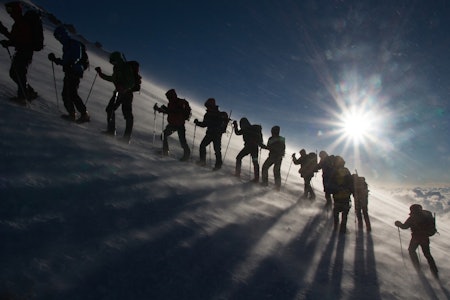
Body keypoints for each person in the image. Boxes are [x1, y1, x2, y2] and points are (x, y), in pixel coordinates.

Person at [48, 26, 90, 123]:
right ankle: (76, 114)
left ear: (62, 35)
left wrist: (70, 64)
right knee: (69, 93)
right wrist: (56, 60)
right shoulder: (67, 45)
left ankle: (82, 114)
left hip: (74, 72)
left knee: (71, 94)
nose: (57, 38)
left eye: (58, 36)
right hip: (72, 71)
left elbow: (75, 57)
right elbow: (67, 61)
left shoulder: (73, 44)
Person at [0, 1, 38, 102]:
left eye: (10, 10)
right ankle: (29, 92)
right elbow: (15, 40)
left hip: (24, 52)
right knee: (15, 73)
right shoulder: (18, 23)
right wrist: (8, 42)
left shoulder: (22, 23)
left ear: (15, 10)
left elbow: (19, 40)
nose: (9, 13)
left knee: (18, 73)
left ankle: (22, 97)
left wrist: (6, 36)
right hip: (24, 51)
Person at [95, 51, 135, 143]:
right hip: (119, 93)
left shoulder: (125, 67)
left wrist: (124, 87)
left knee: (127, 114)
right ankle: (112, 131)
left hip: (126, 94)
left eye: (112, 60)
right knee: (110, 109)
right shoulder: (116, 68)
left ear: (117, 59)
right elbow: (112, 79)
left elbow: (132, 82)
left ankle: (124, 137)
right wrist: (100, 74)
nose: (111, 62)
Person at [395, 204, 439, 278]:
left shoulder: (412, 217)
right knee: (427, 254)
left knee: (411, 250)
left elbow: (405, 226)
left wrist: (398, 224)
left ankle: (417, 268)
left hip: (416, 237)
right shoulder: (426, 215)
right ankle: (435, 272)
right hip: (425, 237)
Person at [154, 89, 191, 161]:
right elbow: (170, 111)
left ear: (172, 95)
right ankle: (165, 151)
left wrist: (163, 109)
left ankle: (186, 156)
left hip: (179, 124)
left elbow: (176, 111)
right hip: (173, 124)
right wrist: (161, 109)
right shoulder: (171, 103)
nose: (168, 98)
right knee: (164, 136)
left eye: (168, 96)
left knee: (182, 141)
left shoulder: (179, 102)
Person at [194, 98, 224, 170]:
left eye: (208, 105)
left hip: (212, 133)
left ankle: (203, 161)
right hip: (216, 134)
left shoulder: (209, 114)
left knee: (204, 146)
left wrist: (197, 123)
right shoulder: (217, 114)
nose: (207, 107)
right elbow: (205, 124)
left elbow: (204, 124)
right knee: (216, 149)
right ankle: (217, 165)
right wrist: (198, 123)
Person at [233, 117, 263, 182]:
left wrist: (235, 125)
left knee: (239, 158)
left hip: (248, 147)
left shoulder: (245, 129)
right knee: (255, 162)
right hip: (255, 148)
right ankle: (256, 178)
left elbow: (237, 133)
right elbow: (260, 141)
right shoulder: (254, 129)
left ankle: (237, 173)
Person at [329, 156, 352, 233]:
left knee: (336, 213)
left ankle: (335, 228)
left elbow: (331, 183)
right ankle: (343, 229)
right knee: (344, 214)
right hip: (346, 196)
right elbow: (351, 183)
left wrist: (332, 191)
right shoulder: (346, 170)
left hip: (337, 196)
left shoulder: (334, 171)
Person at [261, 126, 285, 191]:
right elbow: (283, 148)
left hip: (273, 156)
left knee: (265, 167)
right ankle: (277, 187)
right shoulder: (282, 139)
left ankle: (265, 183)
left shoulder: (271, 138)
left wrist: (263, 146)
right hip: (279, 157)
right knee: (276, 171)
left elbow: (269, 147)